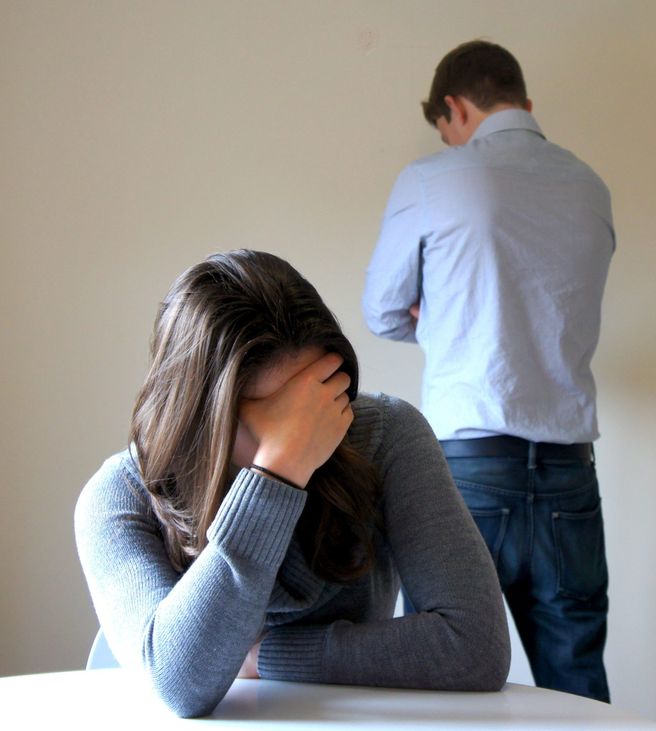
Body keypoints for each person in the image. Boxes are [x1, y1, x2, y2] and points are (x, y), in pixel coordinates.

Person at [75, 249, 510, 718]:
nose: (310, 428)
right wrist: (277, 473)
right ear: (196, 415)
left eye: (320, 398)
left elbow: (475, 644)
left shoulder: (386, 435)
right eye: (278, 416)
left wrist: (263, 657)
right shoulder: (118, 495)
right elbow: (178, 683)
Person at [362, 41, 614, 703]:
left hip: (466, 472)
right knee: (579, 684)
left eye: (447, 128)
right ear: (525, 104)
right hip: (569, 477)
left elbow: (381, 308)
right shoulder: (590, 185)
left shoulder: (432, 178)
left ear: (455, 107)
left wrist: (447, 316)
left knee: (440, 685)